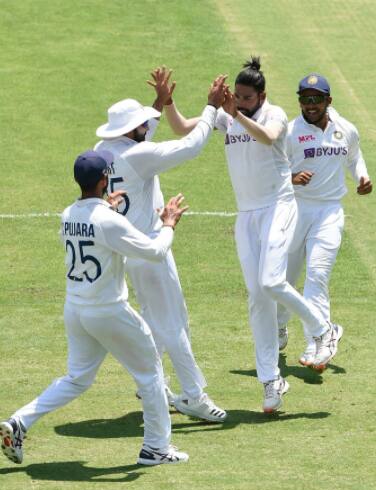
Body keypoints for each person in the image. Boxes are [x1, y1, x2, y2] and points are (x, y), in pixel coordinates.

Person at [160, 57, 343, 412]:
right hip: (247, 215)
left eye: (246, 97)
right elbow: (183, 128)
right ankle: (270, 380)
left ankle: (323, 329)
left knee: (272, 281)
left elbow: (269, 137)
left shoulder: (272, 114)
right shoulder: (228, 117)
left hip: (278, 206)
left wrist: (237, 115)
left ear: (261, 95)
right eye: (237, 97)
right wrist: (170, 102)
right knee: (258, 296)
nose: (240, 102)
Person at [0, 149, 190, 466]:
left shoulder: (68, 213)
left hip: (76, 310)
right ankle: (156, 448)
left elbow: (94, 229)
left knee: (76, 378)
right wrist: (168, 224)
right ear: (105, 179)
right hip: (109, 311)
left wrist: (107, 210)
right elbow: (155, 252)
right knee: (150, 374)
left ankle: (20, 422)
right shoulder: (108, 220)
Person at [94, 69, 227, 422]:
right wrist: (211, 107)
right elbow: (191, 145)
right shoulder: (140, 156)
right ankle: (194, 396)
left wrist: (160, 103)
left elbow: (140, 140)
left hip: (126, 249)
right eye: (142, 123)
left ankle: (149, 382)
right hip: (150, 247)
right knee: (172, 323)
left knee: (159, 320)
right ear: (130, 130)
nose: (147, 125)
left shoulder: (102, 151)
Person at [277, 74, 372, 367]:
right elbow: (272, 169)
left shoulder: (346, 130)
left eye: (316, 99)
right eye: (305, 99)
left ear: (328, 101)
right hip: (295, 210)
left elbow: (354, 156)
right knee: (284, 279)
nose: (310, 104)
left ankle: (318, 340)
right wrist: (291, 178)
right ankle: (278, 327)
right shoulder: (290, 132)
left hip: (329, 213)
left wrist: (362, 177)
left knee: (317, 276)